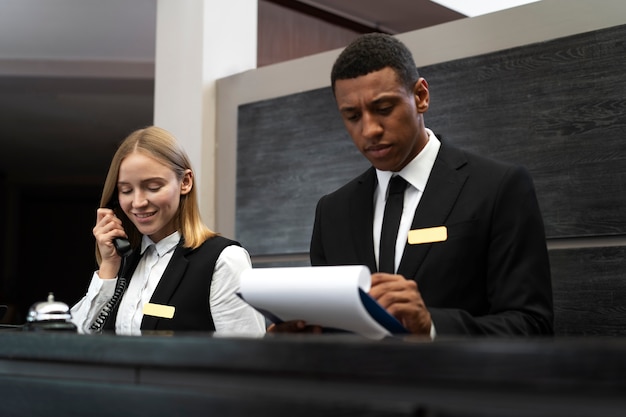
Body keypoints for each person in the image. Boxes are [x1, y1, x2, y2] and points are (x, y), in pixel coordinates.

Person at [274, 33, 553, 337]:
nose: (369, 130)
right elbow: (336, 330)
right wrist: (302, 337)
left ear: (420, 96)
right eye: (352, 116)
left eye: (383, 108)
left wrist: (431, 327)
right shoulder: (332, 212)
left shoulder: (498, 187)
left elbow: (531, 325)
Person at [71, 126, 266, 336]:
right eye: (126, 190)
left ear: (185, 182)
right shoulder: (124, 260)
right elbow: (75, 342)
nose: (138, 202)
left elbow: (246, 357)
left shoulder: (223, 260)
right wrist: (108, 267)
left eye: (153, 187)